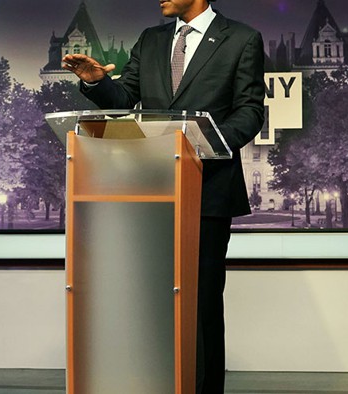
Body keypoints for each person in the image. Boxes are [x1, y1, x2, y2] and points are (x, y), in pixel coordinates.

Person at [62, 0, 264, 392]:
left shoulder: (241, 39)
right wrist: (94, 82)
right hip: (151, 190)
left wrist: (204, 145)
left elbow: (251, 111)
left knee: (201, 303)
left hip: (207, 190)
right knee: (151, 301)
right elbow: (123, 102)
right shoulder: (151, 40)